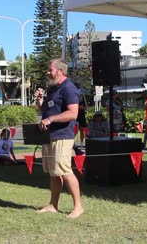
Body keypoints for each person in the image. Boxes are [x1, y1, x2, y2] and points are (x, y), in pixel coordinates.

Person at [34, 58, 83, 219]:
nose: (48, 72)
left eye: (50, 70)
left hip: (62, 137)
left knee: (65, 171)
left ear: (60, 71)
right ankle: (53, 205)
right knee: (54, 173)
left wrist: (50, 120)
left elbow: (72, 113)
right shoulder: (54, 89)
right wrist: (40, 100)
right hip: (49, 136)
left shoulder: (69, 88)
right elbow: (46, 111)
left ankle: (78, 207)